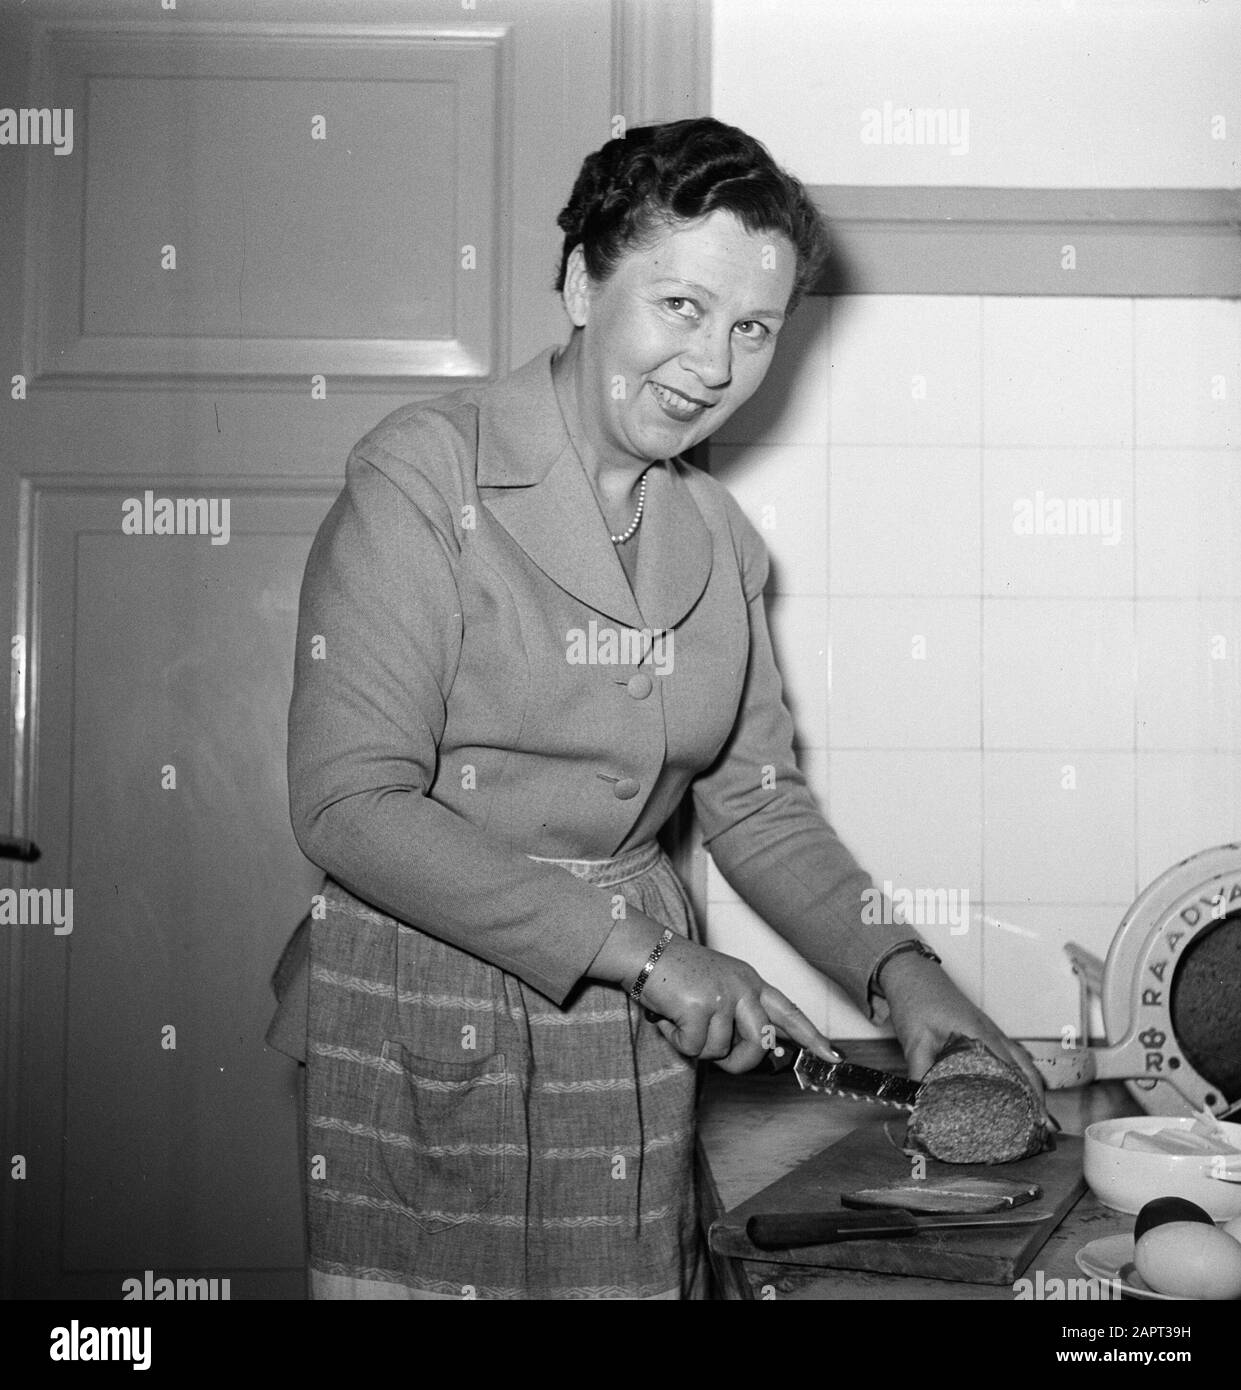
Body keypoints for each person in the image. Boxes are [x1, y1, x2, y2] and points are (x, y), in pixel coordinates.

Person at [267, 116, 1047, 1300]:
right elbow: (349, 804)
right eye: (679, 306)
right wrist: (647, 955)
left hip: (632, 1025)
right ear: (582, 281)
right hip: (426, 994)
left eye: (751, 329)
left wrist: (904, 975)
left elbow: (763, 811)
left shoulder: (721, 542)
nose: (713, 363)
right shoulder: (425, 474)